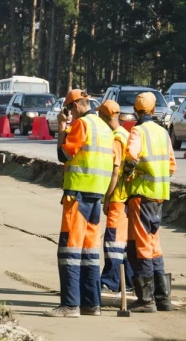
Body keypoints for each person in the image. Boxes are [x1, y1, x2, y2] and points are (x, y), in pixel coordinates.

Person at [43, 89, 114, 318]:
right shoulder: (103, 126)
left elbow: (64, 154)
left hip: (79, 194)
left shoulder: (82, 125)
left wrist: (62, 128)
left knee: (70, 250)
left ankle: (70, 305)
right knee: (89, 252)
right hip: (96, 194)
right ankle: (91, 304)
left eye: (69, 110)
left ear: (74, 107)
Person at [123, 92, 177, 313]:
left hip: (141, 196)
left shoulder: (137, 131)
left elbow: (132, 157)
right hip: (159, 196)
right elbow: (172, 166)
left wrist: (128, 175)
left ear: (136, 111)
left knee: (142, 246)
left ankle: (145, 300)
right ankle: (162, 298)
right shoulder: (163, 133)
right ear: (154, 111)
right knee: (154, 246)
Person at [97, 99, 134, 294]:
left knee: (113, 242)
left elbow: (115, 171)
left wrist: (107, 199)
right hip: (126, 198)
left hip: (118, 198)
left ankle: (111, 281)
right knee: (123, 243)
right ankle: (126, 281)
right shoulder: (125, 134)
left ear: (104, 117)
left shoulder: (117, 139)